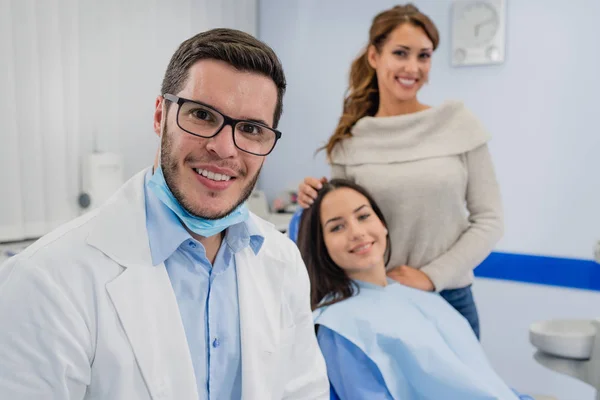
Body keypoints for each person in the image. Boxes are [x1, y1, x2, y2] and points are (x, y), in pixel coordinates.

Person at [0, 28, 329, 399]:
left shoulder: (281, 261)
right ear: (161, 116)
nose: (223, 149)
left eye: (251, 129)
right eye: (203, 115)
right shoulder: (46, 280)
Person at [297, 4, 503, 339]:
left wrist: (431, 277)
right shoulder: (351, 140)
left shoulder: (458, 124)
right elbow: (341, 224)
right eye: (401, 53)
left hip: (449, 297)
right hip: (376, 299)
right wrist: (315, 198)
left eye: (424, 56)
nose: (413, 67)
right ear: (374, 56)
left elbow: (490, 220)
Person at [297, 179, 531, 400]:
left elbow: (482, 381)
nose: (357, 232)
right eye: (337, 227)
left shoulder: (416, 293)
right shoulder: (338, 327)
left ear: (383, 224)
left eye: (364, 216)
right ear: (321, 245)